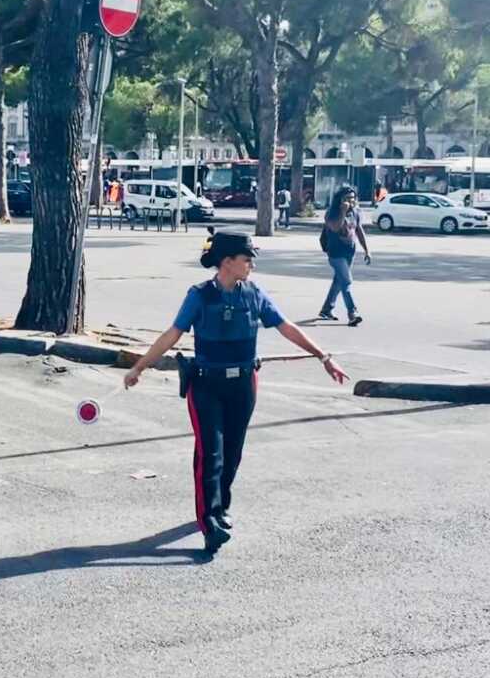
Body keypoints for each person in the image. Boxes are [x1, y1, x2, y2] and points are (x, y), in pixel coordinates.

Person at [124, 231, 349, 555]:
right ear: (227, 262)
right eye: (247, 259)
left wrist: (323, 356)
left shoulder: (254, 293)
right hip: (206, 384)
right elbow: (173, 334)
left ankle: (220, 505)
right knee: (210, 454)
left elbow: (286, 326)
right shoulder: (199, 296)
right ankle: (209, 522)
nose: (252, 264)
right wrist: (140, 367)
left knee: (232, 453)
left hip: (243, 384)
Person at [319, 185, 371, 326]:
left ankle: (326, 309)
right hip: (335, 253)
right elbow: (335, 227)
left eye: (353, 199)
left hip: (350, 251)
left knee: (339, 281)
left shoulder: (355, 212)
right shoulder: (332, 212)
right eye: (347, 198)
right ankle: (352, 313)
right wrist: (342, 211)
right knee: (346, 281)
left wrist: (367, 250)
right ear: (340, 200)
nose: (350, 202)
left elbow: (359, 230)